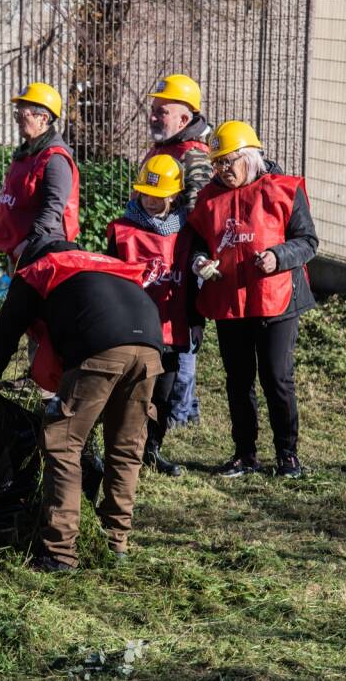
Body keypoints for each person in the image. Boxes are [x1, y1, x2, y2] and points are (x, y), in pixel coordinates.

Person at [0, 241, 164, 571]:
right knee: (126, 447)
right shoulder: (103, 264)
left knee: (63, 443)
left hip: (100, 345)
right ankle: (115, 543)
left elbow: (3, 333)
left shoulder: (37, 270)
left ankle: (60, 553)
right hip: (150, 344)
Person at [188, 121, 318, 479]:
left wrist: (279, 256)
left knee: (277, 378)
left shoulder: (284, 190)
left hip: (276, 300)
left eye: (228, 162)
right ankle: (244, 454)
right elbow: (198, 242)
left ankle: (287, 455)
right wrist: (199, 262)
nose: (222, 170)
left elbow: (308, 242)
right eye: (216, 164)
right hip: (231, 300)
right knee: (238, 380)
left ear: (249, 157)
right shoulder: (208, 198)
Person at [107, 155, 193, 477]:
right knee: (130, 392)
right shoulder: (122, 230)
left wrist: (195, 322)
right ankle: (123, 448)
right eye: (146, 194)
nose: (152, 201)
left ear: (174, 195)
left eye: (159, 196)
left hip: (172, 328)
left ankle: (152, 449)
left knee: (164, 394)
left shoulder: (186, 232)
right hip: (135, 328)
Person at [143, 74, 215, 432]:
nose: (154, 116)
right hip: (156, 258)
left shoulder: (194, 158)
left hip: (181, 262)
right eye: (153, 109)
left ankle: (181, 411)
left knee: (182, 333)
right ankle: (181, 404)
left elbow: (199, 216)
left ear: (184, 119)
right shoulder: (163, 148)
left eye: (163, 111)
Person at [0, 82, 79, 265]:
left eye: (22, 114)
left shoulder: (55, 159)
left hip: (44, 252)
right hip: (22, 251)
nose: (17, 120)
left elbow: (53, 210)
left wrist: (27, 244)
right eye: (16, 114)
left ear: (43, 118)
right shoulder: (27, 154)